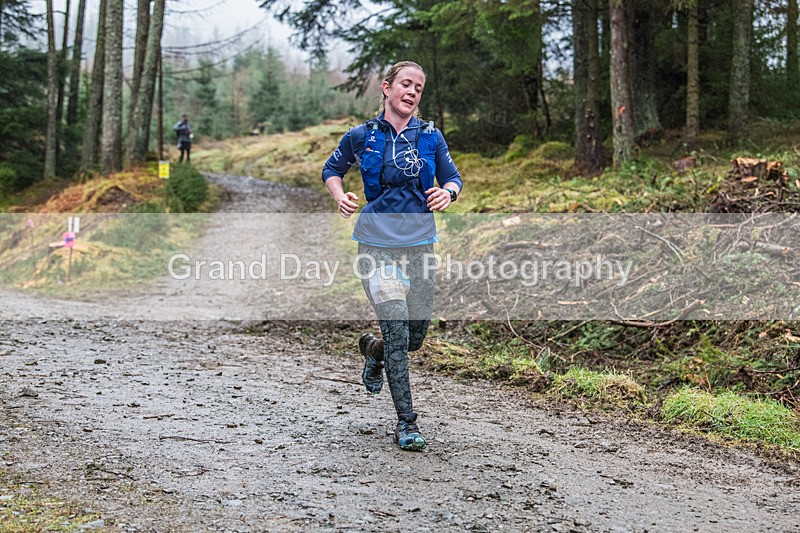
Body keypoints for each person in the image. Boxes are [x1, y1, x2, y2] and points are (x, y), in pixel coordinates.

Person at [321, 61, 462, 451]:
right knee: (398, 331)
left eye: (419, 87)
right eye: (406, 84)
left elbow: (453, 178)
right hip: (376, 246)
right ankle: (407, 422)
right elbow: (332, 169)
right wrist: (340, 196)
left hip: (420, 245)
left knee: (413, 337)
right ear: (387, 88)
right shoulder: (362, 136)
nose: (412, 91)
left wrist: (448, 193)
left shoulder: (431, 136)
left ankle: (374, 351)